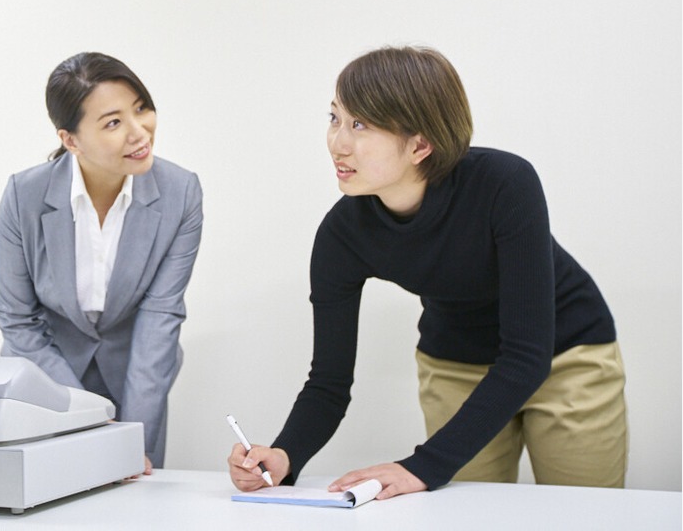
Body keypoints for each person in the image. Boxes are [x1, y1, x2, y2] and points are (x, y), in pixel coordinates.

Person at [229, 46, 626, 499]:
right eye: (335, 117)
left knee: (587, 511)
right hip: (454, 360)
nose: (338, 142)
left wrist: (423, 466)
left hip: (565, 353)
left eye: (360, 124)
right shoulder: (343, 234)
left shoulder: (505, 183)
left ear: (420, 144)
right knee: (471, 515)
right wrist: (285, 455)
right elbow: (329, 382)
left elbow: (526, 355)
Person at [0, 52, 204, 471]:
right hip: (45, 380)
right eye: (113, 122)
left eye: (141, 108)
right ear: (71, 140)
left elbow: (160, 317)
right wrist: (91, 426)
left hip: (138, 381)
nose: (139, 131)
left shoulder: (182, 193)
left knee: (136, 502)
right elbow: (18, 320)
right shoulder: (24, 195)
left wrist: (130, 437)